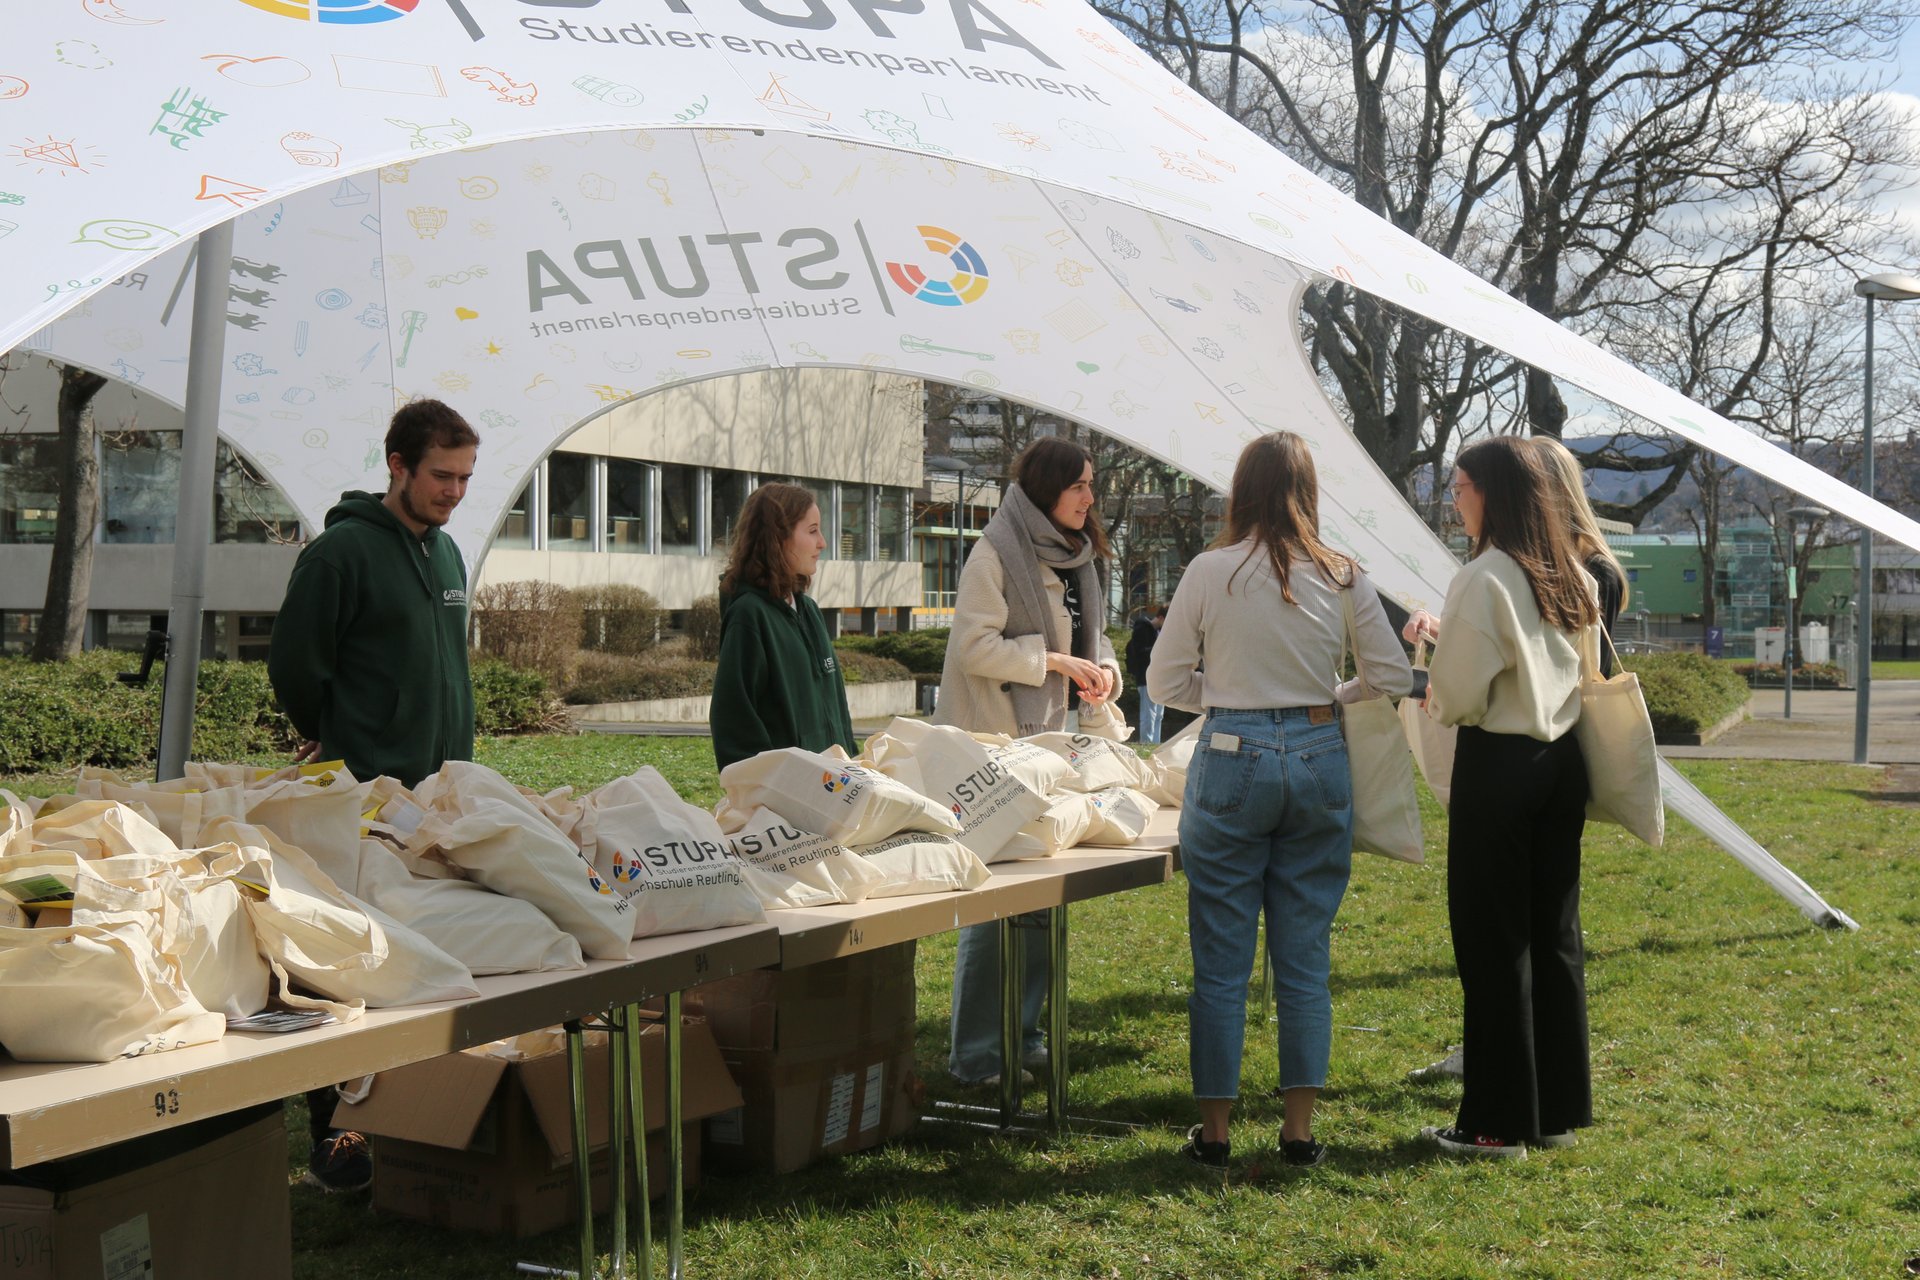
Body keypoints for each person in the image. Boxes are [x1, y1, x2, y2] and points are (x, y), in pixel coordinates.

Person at [1147, 431, 1412, 1170]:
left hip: (1232, 753)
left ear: (1241, 491)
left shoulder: (1210, 570)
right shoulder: (1342, 573)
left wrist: (1233, 694)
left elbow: (1165, 682)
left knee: (1221, 960)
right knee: (1304, 958)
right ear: (1309, 492)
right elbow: (1392, 677)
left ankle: (1215, 1135)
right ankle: (1298, 1132)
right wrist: (1327, 696)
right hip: (1321, 753)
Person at [268, 397, 480, 1193]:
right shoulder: (340, 554)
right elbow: (295, 662)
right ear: (398, 465)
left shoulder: (447, 554)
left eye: (464, 477)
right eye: (441, 475)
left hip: (436, 794)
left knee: (424, 957)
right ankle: (335, 1132)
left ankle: (415, 1117)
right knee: (351, 964)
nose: (454, 491)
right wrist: (329, 733)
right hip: (360, 796)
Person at [1402, 436, 1628, 1083]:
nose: (1454, 501)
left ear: (1491, 494)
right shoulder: (1572, 573)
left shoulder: (1482, 575)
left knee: (1493, 941)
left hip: (1498, 765)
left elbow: (1457, 696)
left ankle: (1494, 1121)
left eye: (1460, 488)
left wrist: (1435, 681)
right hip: (1561, 763)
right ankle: (1556, 1103)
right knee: (1555, 937)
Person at [934, 437, 1125, 1087]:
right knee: (994, 911)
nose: (1090, 498)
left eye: (1091, 485)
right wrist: (1053, 662)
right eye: (1079, 486)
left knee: (1044, 898)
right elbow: (973, 647)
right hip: (991, 751)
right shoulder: (995, 552)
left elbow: (1095, 642)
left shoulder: (1079, 557)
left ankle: (1025, 1032)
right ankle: (977, 1055)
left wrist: (1103, 672)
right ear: (1048, 490)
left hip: (1054, 749)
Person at [709, 483, 855, 772]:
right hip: (791, 793)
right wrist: (773, 784)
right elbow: (734, 721)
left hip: (835, 786)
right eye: (812, 531)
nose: (822, 543)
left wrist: (854, 765)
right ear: (778, 537)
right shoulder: (749, 615)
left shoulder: (809, 611)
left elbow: (837, 712)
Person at [1127, 604, 1168, 743]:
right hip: (1145, 678)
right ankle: (1147, 742)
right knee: (1149, 713)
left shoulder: (1157, 632)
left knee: (1158, 714)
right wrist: (1159, 649)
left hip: (1158, 678)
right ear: (1161, 617)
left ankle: (1155, 743)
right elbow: (1140, 653)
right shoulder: (1142, 628)